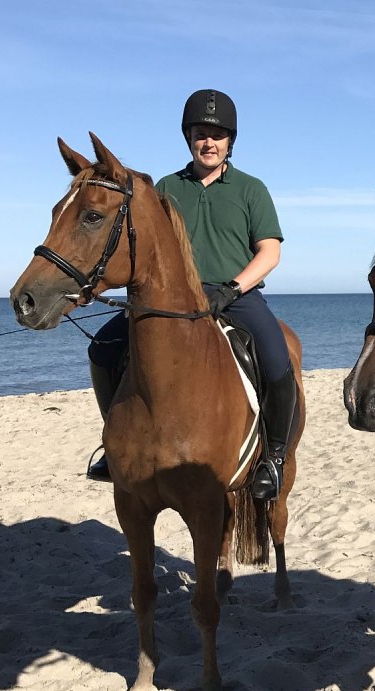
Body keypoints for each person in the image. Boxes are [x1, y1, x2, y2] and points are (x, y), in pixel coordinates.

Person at [86, 89, 299, 502]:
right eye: (201, 133)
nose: (209, 142)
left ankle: (273, 457)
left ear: (229, 142)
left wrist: (233, 288)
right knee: (103, 348)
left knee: (277, 361)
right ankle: (115, 447)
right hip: (173, 299)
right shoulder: (166, 187)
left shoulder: (251, 189)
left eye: (217, 135)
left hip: (237, 295)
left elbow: (270, 252)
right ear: (189, 138)